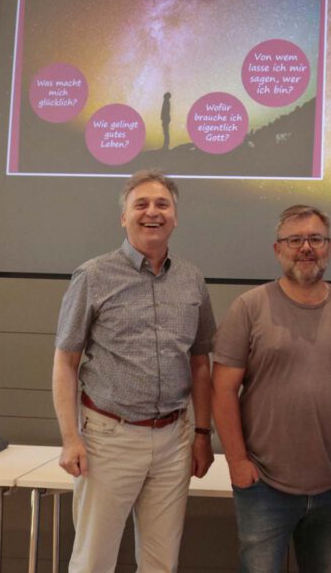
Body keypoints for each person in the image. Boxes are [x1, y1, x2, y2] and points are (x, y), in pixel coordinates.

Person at [52, 169, 216, 573]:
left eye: (162, 204)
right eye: (140, 204)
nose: (152, 212)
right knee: (93, 561)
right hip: (108, 439)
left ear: (175, 217)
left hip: (173, 441)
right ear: (123, 217)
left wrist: (201, 434)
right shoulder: (93, 276)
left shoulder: (192, 280)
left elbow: (200, 362)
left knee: (161, 563)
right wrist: (70, 437)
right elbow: (65, 361)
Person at [211, 204, 331, 572]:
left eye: (315, 239)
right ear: (278, 249)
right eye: (295, 240)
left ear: (330, 247)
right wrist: (238, 463)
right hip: (263, 486)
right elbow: (222, 391)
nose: (306, 247)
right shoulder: (249, 308)